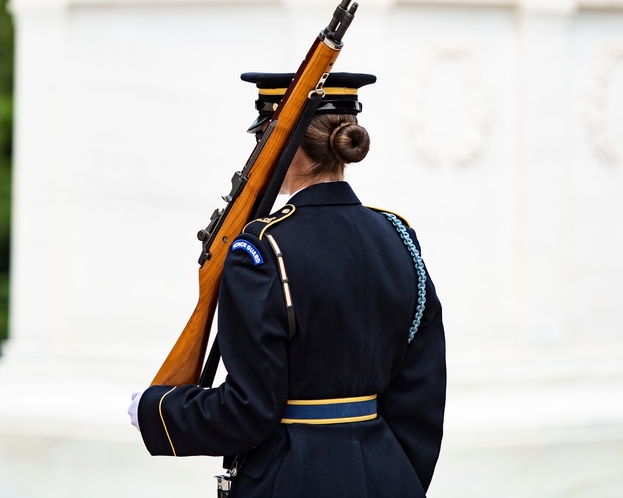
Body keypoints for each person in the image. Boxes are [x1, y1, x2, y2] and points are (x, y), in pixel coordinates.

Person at [128, 72, 446, 498]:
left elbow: (248, 412)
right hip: (387, 476)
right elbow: (422, 393)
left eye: (264, 137)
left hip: (290, 480)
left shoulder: (261, 249)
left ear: (282, 143)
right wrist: (395, 475)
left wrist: (156, 411)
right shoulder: (398, 236)